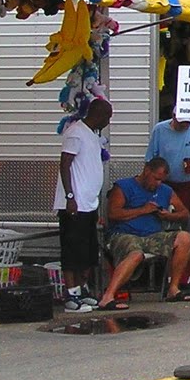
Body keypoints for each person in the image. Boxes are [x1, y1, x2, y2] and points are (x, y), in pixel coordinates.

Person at [94, 158, 190, 310]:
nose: (158, 183)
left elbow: (184, 213)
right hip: (124, 234)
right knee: (136, 254)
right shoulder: (124, 186)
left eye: (161, 180)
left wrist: (168, 216)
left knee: (185, 238)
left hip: (152, 235)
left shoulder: (165, 190)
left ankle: (173, 288)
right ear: (147, 171)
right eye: (156, 178)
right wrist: (143, 210)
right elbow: (113, 214)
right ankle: (108, 296)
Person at [55, 98, 111, 312]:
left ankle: (82, 290)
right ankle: (71, 295)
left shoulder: (92, 135)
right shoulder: (75, 133)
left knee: (87, 252)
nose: (108, 122)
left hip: (89, 204)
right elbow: (65, 164)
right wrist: (70, 196)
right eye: (108, 117)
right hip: (74, 204)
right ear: (98, 114)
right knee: (72, 251)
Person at [147, 106, 190, 241]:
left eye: (188, 122)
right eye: (182, 122)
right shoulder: (160, 129)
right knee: (167, 230)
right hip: (167, 186)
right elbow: (150, 160)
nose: (185, 125)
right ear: (173, 117)